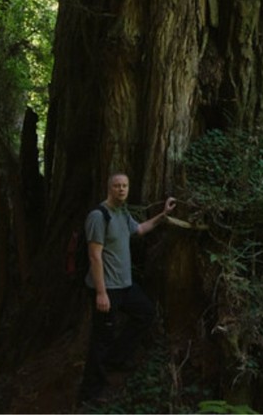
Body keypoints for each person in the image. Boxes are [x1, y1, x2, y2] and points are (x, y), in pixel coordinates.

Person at [77, 171, 176, 406]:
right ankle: (90, 393)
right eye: (117, 186)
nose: (121, 189)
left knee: (145, 312)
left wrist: (163, 215)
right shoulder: (98, 216)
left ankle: (117, 358)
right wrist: (101, 293)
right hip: (107, 288)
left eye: (125, 186)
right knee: (101, 339)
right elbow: (94, 255)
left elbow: (139, 230)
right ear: (109, 188)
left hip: (125, 286)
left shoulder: (121, 212)